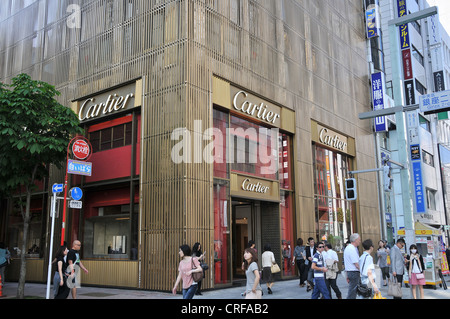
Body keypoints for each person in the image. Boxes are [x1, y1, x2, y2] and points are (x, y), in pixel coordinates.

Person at [344, 233, 361, 299]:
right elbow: (356, 263)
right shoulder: (351, 249)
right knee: (352, 292)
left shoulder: (351, 248)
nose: (359, 241)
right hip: (353, 272)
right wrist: (362, 270)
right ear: (355, 240)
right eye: (359, 239)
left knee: (353, 291)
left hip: (351, 272)